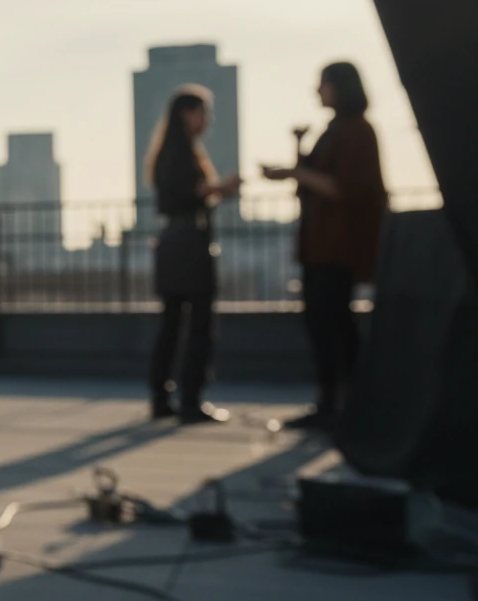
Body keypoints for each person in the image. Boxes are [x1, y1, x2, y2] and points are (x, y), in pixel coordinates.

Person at [263, 61, 387, 431]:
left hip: (339, 245)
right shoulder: (336, 131)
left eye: (323, 85)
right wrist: (298, 152)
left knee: (334, 323)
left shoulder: (357, 132)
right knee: (323, 322)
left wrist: (296, 171)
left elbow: (343, 188)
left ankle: (346, 403)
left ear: (339, 88)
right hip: (321, 245)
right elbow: (316, 183)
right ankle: (334, 402)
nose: (317, 92)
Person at [144, 85, 243, 425]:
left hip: (172, 242)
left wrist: (214, 191)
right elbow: (193, 191)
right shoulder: (182, 151)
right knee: (199, 323)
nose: (208, 120)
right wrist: (222, 188)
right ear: (187, 113)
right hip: (189, 243)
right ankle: (190, 399)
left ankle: (162, 397)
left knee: (172, 324)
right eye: (204, 112)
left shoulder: (168, 151)